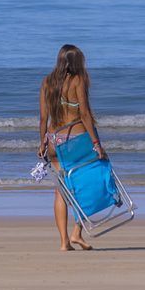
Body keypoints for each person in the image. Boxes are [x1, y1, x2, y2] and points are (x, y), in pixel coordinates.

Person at [38, 44, 105, 251]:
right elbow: (84, 114)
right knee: (86, 186)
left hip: (53, 141)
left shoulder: (47, 82)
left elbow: (43, 118)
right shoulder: (79, 80)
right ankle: (77, 233)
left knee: (60, 192)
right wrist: (96, 143)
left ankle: (64, 242)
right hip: (76, 142)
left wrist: (42, 142)